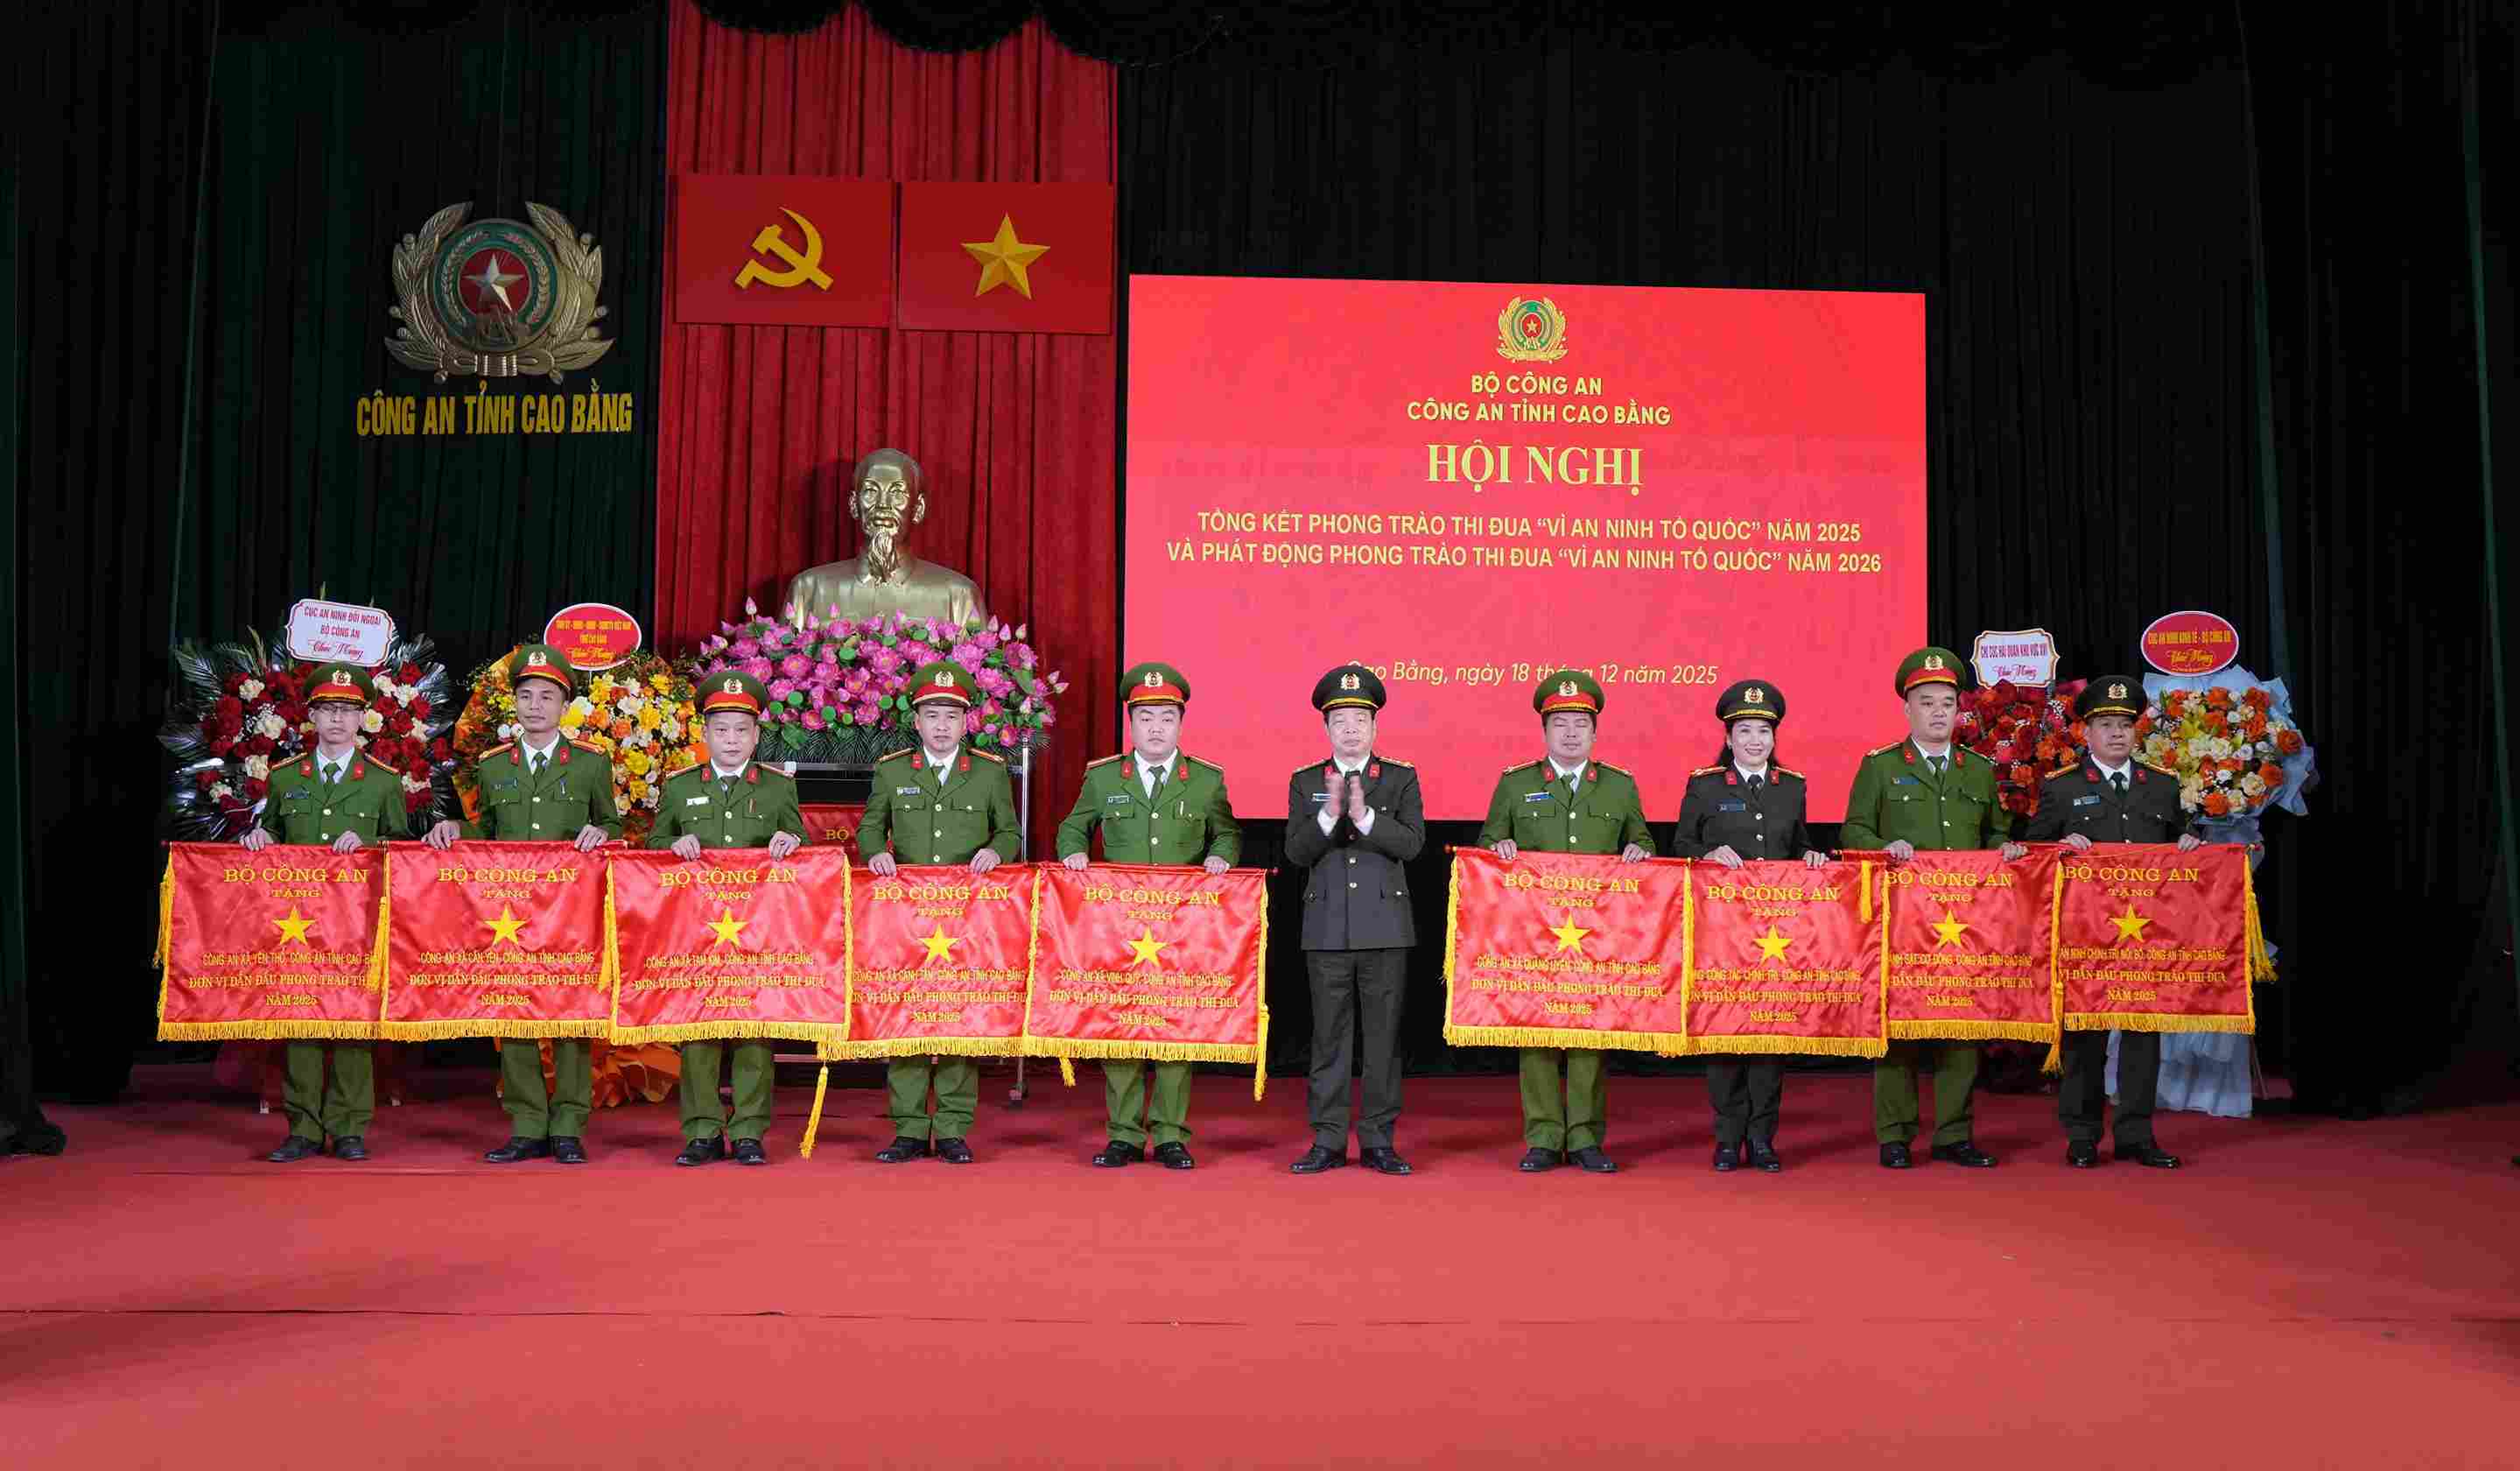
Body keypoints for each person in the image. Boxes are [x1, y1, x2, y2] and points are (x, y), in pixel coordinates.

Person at [424, 644, 619, 1165]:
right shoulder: (493, 767)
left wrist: (602, 832)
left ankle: (569, 1125)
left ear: (565, 706)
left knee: (571, 1018)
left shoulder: (589, 764)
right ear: (515, 703)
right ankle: (527, 1124)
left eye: (547, 697)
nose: (536, 706)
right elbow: (487, 832)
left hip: (570, 913)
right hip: (509, 915)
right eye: (527, 696)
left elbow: (613, 824)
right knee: (513, 1013)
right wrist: (454, 828)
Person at [1840, 646, 2027, 1171]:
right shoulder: (1879, 767)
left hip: (1967, 921)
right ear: (1908, 709)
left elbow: (1995, 833)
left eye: (1947, 702)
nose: (1939, 712)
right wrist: (1884, 848)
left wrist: (2007, 849)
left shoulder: (1978, 771)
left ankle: (1954, 1134)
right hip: (1902, 920)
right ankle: (1895, 1134)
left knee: (1961, 1024)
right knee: (1899, 1027)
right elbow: (1853, 831)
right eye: (1927, 703)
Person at [1054, 662, 1239, 1170]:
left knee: (1175, 1026)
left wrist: (1220, 856)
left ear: (1180, 723)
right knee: (1122, 1025)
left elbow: (1227, 833)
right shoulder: (1103, 777)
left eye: (1166, 718)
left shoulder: (1205, 781)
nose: (1156, 728)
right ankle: (1124, 1135)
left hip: (1182, 926)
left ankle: (1172, 1135)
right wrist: (1074, 851)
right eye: (1145, 718)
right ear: (1131, 723)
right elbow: (1072, 827)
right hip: (1119, 924)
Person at [1477, 670, 1653, 1175]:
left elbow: (1642, 841)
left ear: (1595, 732)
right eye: (1560, 723)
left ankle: (1585, 1138)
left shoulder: (1619, 786)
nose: (1571, 733)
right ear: (1544, 731)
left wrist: (1639, 850)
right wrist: (1499, 848)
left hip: (1597, 933)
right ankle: (1543, 1137)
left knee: (1588, 1033)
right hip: (1534, 934)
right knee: (1535, 1032)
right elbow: (1487, 844)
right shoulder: (1516, 784)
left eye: (1580, 724)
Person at [2025, 675, 2201, 1169]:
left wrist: (2189, 843)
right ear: (2086, 732)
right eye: (2106, 725)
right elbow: (2032, 850)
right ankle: (2082, 1135)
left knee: (2143, 1034)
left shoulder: (2162, 785)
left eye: (2125, 724)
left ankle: (2137, 1134)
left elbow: (2182, 843)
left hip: (2146, 932)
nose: (2117, 733)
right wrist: (2059, 847)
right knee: (2085, 1036)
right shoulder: (2062, 787)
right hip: (2085, 933)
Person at [240, 664, 412, 1163]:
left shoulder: (383, 782)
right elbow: (274, 832)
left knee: (353, 1023)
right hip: (296, 923)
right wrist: (261, 836)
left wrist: (371, 840)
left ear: (362, 720)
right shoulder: (285, 777)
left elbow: (402, 847)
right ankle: (303, 1128)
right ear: (311, 716)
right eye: (327, 709)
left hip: (357, 923)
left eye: (347, 710)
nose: (337, 719)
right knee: (301, 1021)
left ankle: (350, 1126)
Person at [856, 660, 1021, 1165]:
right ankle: (908, 1128)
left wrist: (996, 851)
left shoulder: (989, 772)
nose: (942, 725)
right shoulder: (892, 770)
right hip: (905, 915)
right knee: (906, 1013)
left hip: (967, 916)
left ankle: (951, 1127)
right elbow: (869, 827)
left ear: (966, 721)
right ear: (917, 721)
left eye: (952, 716)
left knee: (958, 1016)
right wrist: (875, 853)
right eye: (933, 715)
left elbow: (1009, 832)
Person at [646, 670, 805, 1167]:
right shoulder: (680, 788)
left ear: (756, 736)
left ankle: (750, 1131)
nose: (731, 739)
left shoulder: (778, 788)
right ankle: (702, 1131)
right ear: (706, 734)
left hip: (757, 931)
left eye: (741, 730)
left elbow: (799, 842)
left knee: (754, 1028)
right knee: (699, 1030)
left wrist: (790, 842)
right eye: (721, 730)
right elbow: (653, 845)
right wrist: (673, 844)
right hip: (696, 930)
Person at [1667, 679, 1825, 1173]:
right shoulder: (1705, 786)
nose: (1755, 741)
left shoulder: (1792, 787)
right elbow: (1680, 846)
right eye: (1745, 732)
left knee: (1769, 1032)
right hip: (1722, 931)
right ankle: (1726, 1137)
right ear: (1728, 738)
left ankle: (1761, 1138)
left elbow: (1799, 845)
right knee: (1723, 1032)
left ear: (1774, 737)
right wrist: (1709, 853)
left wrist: (1812, 856)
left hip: (1777, 933)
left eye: (1763, 731)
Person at [1283, 663, 1424, 1177]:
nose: (1350, 729)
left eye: (1359, 719)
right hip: (1326, 930)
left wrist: (1365, 817)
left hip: (1386, 929)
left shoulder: (1400, 778)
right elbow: (1296, 852)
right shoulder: (1306, 781)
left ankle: (1379, 1141)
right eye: (1340, 720)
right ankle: (1327, 1140)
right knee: (1329, 1039)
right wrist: (1329, 815)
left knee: (1382, 1042)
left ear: (1375, 726)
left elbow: (1412, 844)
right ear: (1326, 727)